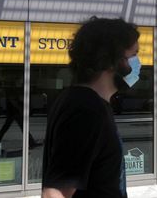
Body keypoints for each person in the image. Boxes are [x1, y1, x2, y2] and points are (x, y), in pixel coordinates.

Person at [42, 17, 141, 198]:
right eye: (133, 55)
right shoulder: (85, 109)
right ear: (111, 60)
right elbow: (54, 193)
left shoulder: (85, 102)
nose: (137, 63)